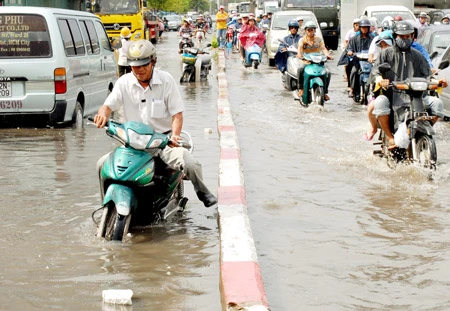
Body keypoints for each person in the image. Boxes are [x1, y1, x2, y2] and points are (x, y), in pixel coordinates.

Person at [94, 40, 218, 207]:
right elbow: (108, 106)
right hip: (132, 144)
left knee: (189, 162)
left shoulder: (166, 81)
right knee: (102, 164)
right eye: (135, 66)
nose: (139, 70)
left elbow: (177, 115)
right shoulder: (124, 82)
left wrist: (174, 135)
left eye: (144, 64)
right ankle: (106, 203)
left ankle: (203, 192)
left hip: (162, 141)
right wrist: (102, 115)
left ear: (153, 61)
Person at [371, 21, 447, 149]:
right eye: (402, 36)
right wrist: (380, 79)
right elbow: (375, 71)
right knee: (380, 103)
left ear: (413, 36)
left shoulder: (418, 55)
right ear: (395, 37)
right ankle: (390, 137)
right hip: (391, 94)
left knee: (437, 103)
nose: (405, 39)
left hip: (416, 96)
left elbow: (427, 76)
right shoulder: (386, 53)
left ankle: (421, 132)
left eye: (408, 36)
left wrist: (438, 82)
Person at [296, 21, 333, 100]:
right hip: (306, 61)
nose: (310, 32)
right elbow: (299, 49)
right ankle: (301, 88)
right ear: (305, 31)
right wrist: (299, 54)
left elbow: (323, 49)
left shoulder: (318, 39)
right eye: (308, 30)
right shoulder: (302, 40)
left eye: (312, 30)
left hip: (318, 61)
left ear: (315, 30)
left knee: (328, 72)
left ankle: (325, 92)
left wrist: (327, 55)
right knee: (300, 69)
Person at [347, 18, 375, 101]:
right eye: (363, 27)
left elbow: (377, 48)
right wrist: (350, 51)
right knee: (354, 71)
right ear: (360, 28)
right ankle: (352, 89)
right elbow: (350, 48)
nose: (364, 29)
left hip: (370, 61)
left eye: (366, 27)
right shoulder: (354, 38)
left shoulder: (373, 38)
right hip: (358, 61)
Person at [338, 18, 360, 83]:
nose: (357, 26)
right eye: (356, 25)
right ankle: (346, 75)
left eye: (359, 25)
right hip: (350, 48)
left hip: (358, 49)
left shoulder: (362, 33)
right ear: (354, 25)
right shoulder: (350, 32)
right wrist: (347, 48)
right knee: (346, 61)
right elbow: (346, 41)